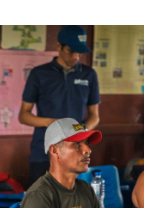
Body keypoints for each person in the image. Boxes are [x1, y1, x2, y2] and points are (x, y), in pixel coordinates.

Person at [19, 26, 100, 187]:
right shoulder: (39, 74)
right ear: (59, 47)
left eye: (80, 52)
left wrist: (82, 129)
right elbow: (24, 115)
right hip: (43, 151)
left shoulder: (89, 74)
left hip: (75, 152)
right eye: (71, 51)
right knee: (39, 204)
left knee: (72, 205)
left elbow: (94, 115)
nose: (76, 57)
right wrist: (50, 122)